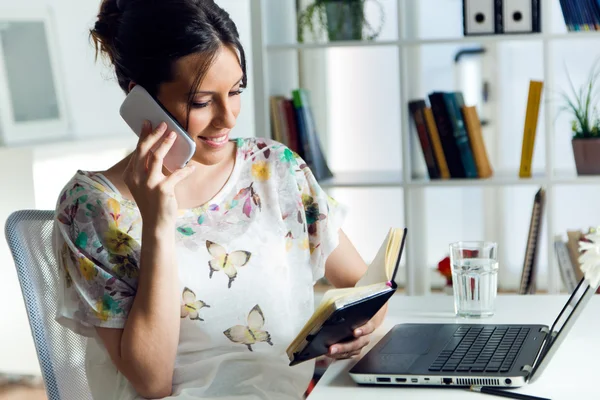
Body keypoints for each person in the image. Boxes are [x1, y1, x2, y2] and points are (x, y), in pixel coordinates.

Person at [52, 0, 387, 399]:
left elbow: (366, 288)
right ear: (138, 97)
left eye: (235, 90)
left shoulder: (274, 168)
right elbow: (151, 381)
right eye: (201, 101)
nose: (228, 117)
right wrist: (159, 221)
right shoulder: (92, 207)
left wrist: (358, 333)